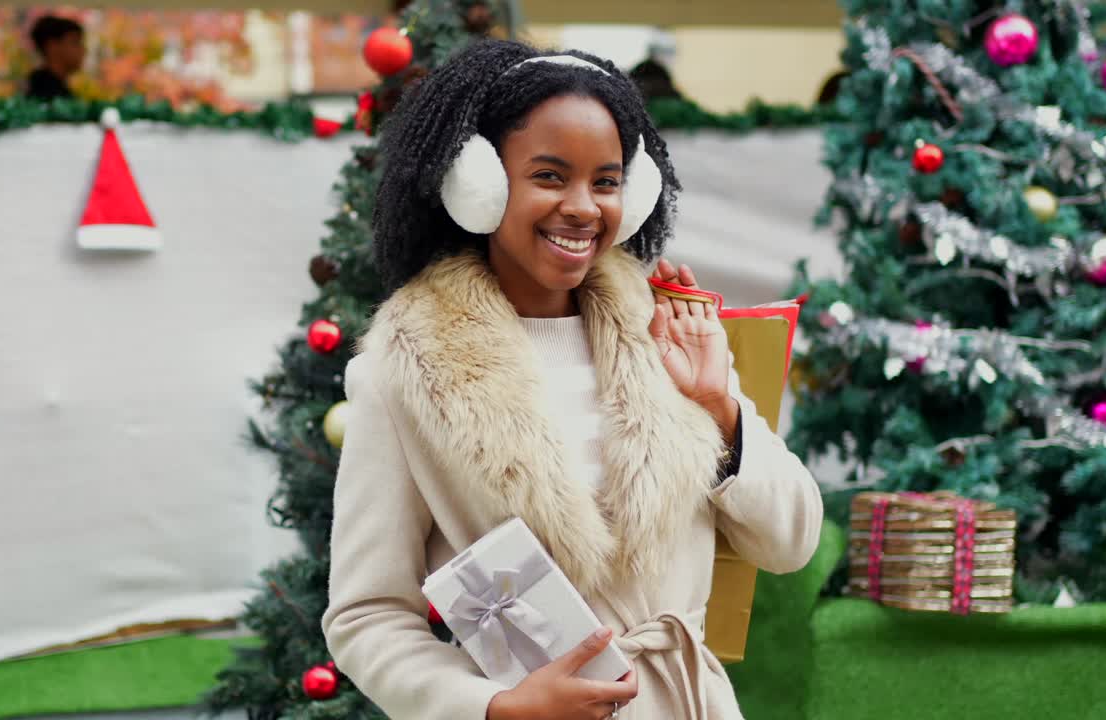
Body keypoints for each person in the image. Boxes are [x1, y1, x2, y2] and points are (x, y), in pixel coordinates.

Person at [321, 38, 823, 720]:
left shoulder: (668, 337)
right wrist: (495, 707)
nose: (584, 207)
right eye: (551, 176)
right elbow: (367, 614)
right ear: (481, 184)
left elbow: (791, 543)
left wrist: (716, 406)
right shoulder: (402, 374)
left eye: (607, 181)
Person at [26, 15, 85, 100]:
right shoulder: (45, 94)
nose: (82, 50)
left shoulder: (58, 89)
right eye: (75, 43)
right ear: (52, 46)